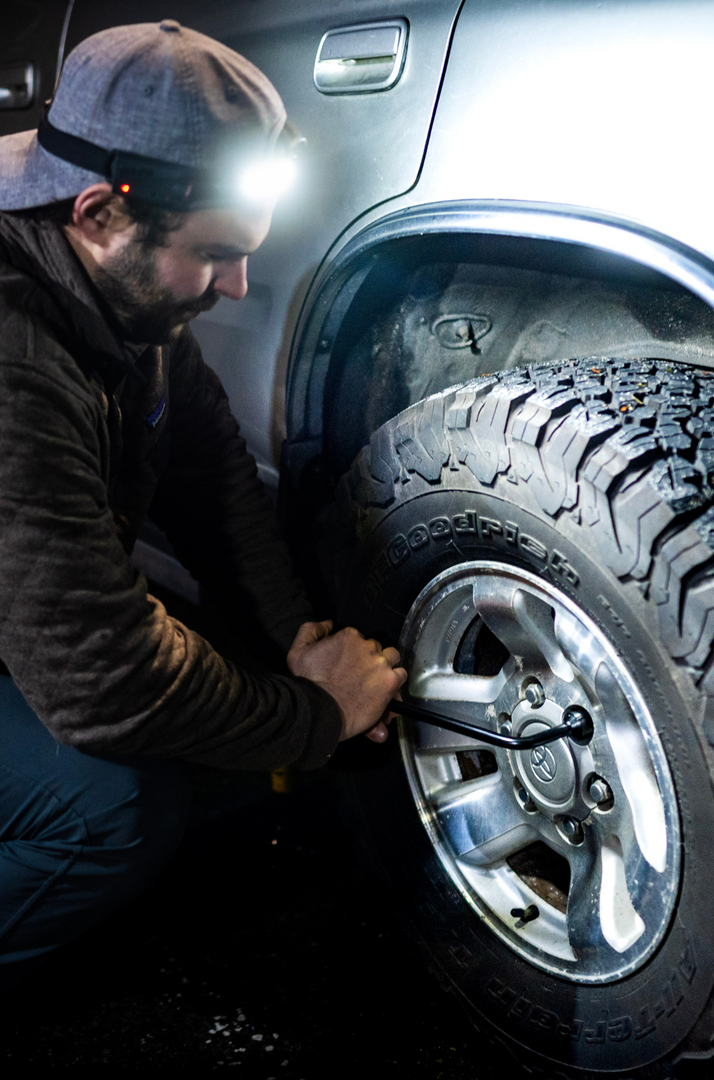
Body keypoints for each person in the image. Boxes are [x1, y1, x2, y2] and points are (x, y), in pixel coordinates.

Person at [0, 21, 406, 990]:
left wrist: (295, 637)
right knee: (111, 805)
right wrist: (314, 715)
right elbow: (103, 682)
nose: (238, 285)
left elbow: (206, 473)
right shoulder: (14, 362)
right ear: (98, 212)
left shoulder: (112, 286)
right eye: (216, 255)